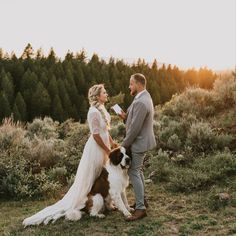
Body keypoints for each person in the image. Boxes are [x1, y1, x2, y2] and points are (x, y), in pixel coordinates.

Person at [23, 84, 117, 226]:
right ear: (97, 96)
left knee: (104, 177)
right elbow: (96, 135)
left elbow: (105, 132)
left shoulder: (102, 109)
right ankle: (87, 203)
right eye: (104, 92)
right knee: (92, 176)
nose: (106, 94)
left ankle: (106, 202)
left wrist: (112, 144)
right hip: (97, 149)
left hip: (105, 146)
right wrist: (106, 149)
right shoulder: (92, 112)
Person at [120, 73, 156, 221]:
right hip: (141, 141)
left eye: (131, 84)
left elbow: (135, 128)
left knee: (133, 172)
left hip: (139, 142)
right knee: (138, 170)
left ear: (139, 84)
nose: (129, 86)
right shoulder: (142, 97)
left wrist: (123, 145)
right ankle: (143, 201)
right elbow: (133, 119)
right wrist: (125, 117)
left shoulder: (141, 101)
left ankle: (141, 209)